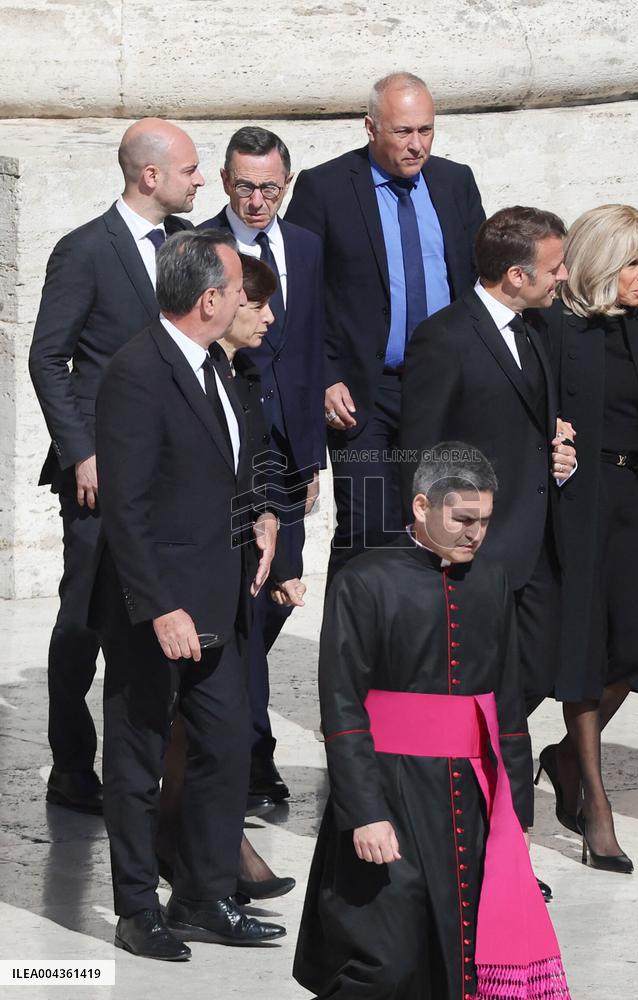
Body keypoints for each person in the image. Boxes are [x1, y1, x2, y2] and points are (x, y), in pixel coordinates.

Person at [294, 443, 571, 1000]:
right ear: (422, 506)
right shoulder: (364, 581)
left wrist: (515, 806)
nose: (475, 534)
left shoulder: (492, 581)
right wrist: (364, 812)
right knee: (384, 960)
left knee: (461, 961)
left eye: (485, 522)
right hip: (389, 794)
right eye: (462, 519)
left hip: (470, 799)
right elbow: (342, 708)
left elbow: (508, 702)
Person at [91, 230, 286, 960]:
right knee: (139, 760)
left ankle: (203, 896)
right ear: (209, 299)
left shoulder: (217, 368)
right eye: (237, 290)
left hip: (223, 596)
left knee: (225, 746)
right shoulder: (138, 372)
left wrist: (262, 516)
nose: (246, 302)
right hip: (160, 606)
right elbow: (127, 509)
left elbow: (235, 468)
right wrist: (160, 605)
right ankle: (137, 908)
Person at [28, 118, 203, 814]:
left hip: (174, 469)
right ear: (149, 175)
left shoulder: (190, 249)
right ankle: (72, 764)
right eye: (189, 169)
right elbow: (49, 356)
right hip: (101, 473)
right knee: (84, 621)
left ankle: (161, 764)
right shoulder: (86, 251)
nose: (200, 178)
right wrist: (81, 452)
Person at [400, 206, 576, 899]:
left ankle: (489, 847)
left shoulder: (534, 330)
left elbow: (528, 425)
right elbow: (417, 450)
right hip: (472, 559)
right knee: (492, 713)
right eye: (555, 267)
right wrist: (439, 551)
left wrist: (553, 454)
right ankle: (493, 858)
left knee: (529, 684)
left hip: (533, 550)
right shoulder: (443, 338)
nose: (564, 277)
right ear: (514, 274)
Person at [285, 72, 486, 582]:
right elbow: (299, 295)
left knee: (441, 525)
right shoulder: (324, 188)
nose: (416, 145)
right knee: (368, 530)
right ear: (371, 127)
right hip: (362, 394)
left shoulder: (454, 182)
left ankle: (422, 656)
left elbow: (477, 282)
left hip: (443, 388)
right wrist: (324, 375)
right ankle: (351, 660)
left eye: (426, 130)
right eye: (403, 132)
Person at [538, 204, 638, 871]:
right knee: (585, 654)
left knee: (631, 652)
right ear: (600, 262)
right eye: (633, 261)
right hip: (577, 502)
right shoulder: (553, 326)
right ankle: (594, 804)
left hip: (636, 500)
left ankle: (564, 758)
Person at [199, 125, 325, 804]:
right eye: (244, 185)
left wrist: (311, 458)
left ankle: (240, 740)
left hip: (288, 450)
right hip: (226, 443)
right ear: (224, 181)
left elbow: (311, 345)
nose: (255, 199)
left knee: (279, 595)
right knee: (243, 604)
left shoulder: (304, 246)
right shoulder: (191, 247)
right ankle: (251, 754)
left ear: (286, 186)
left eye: (268, 187)